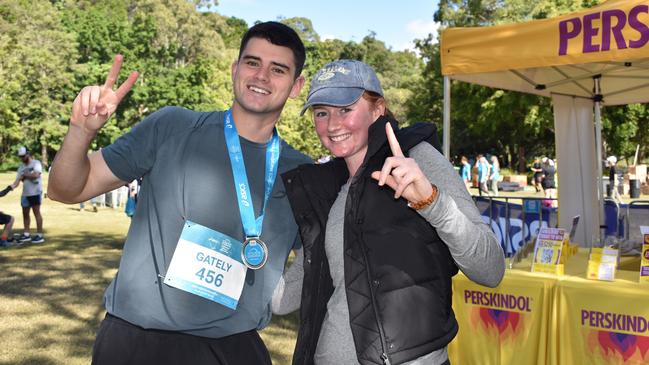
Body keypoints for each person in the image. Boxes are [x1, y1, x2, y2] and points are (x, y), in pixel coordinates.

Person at [47, 21, 309, 365]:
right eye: (252, 62)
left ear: (296, 86)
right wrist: (80, 131)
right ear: (235, 69)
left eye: (278, 69)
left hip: (232, 348)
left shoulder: (303, 176)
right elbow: (66, 190)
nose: (261, 76)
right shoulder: (172, 126)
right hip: (134, 343)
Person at [274, 60, 505, 365]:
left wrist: (431, 201)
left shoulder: (417, 159)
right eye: (321, 113)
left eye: (346, 109)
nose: (332, 125)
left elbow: (490, 270)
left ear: (378, 108)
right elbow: (288, 293)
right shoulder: (327, 186)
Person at [10, 147, 45, 244]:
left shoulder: (36, 163)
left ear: (28, 154)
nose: (21, 158)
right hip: (25, 194)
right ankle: (26, 234)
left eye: (23, 156)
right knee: (25, 214)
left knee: (36, 213)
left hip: (35, 193)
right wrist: (8, 189)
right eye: (20, 157)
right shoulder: (21, 167)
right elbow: (16, 182)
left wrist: (25, 175)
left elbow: (36, 175)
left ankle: (39, 235)